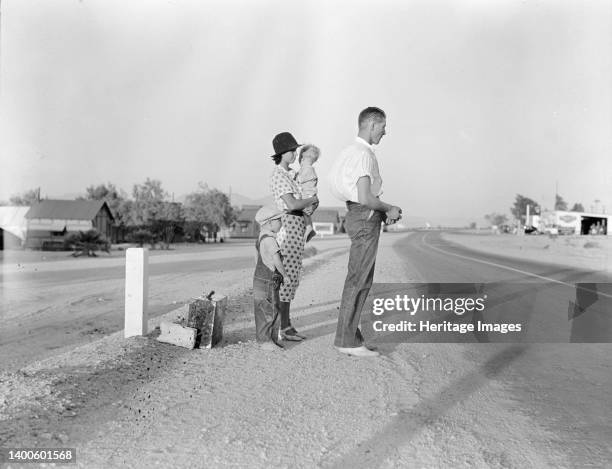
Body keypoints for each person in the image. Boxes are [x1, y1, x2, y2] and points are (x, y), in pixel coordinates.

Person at [329, 107, 402, 357]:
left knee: (357, 278)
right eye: (383, 126)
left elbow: (351, 194)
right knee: (359, 279)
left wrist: (380, 211)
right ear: (371, 125)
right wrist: (389, 208)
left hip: (357, 214)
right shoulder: (364, 154)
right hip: (364, 215)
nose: (385, 131)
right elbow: (365, 197)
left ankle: (351, 335)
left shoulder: (349, 151)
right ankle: (346, 340)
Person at [269, 132, 319, 341]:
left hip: (297, 226)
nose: (295, 153)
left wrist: (310, 203)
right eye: (292, 150)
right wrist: (312, 200)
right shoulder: (278, 175)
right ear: (283, 153)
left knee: (292, 277)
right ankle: (282, 326)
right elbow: (292, 204)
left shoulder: (291, 174)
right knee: (286, 277)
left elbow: (305, 201)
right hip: (288, 226)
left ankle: (285, 324)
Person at [252, 205, 287, 351]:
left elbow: (256, 258)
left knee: (263, 309)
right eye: (279, 220)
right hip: (268, 281)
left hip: (260, 279)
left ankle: (268, 339)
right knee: (271, 310)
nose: (281, 222)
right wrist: (285, 275)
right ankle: (266, 341)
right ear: (269, 222)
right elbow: (277, 260)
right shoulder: (271, 240)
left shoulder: (261, 238)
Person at [295, 144, 321, 243]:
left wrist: (294, 178)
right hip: (310, 193)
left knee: (305, 211)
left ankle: (309, 226)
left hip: (308, 193)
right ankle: (309, 226)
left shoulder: (308, 168)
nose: (300, 162)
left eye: (302, 159)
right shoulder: (307, 168)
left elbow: (300, 180)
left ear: (305, 158)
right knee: (306, 212)